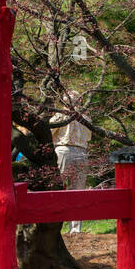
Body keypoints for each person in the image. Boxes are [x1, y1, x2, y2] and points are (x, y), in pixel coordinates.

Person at [50, 91, 91, 233]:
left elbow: (50, 134)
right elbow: (89, 138)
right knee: (78, 191)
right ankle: (75, 229)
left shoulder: (60, 116)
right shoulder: (85, 118)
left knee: (58, 189)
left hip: (63, 151)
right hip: (82, 153)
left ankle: (54, 227)